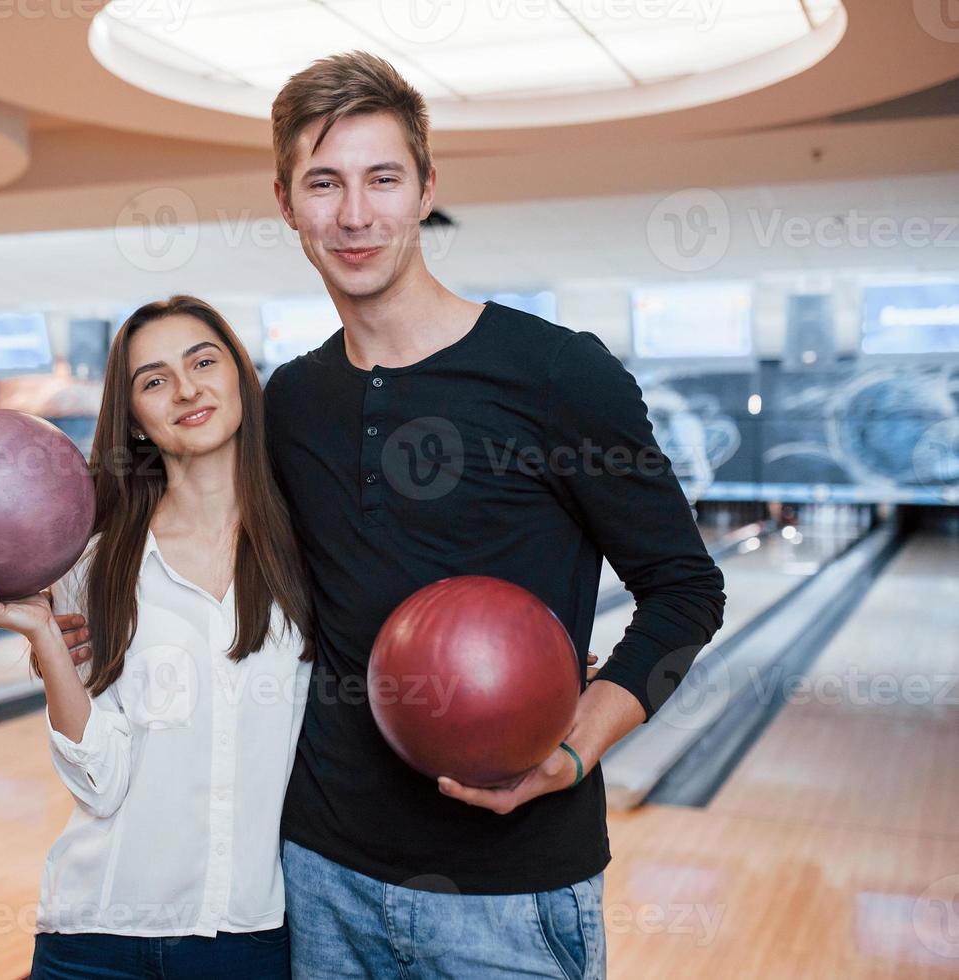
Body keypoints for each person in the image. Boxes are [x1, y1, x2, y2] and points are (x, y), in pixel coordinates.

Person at [261, 52, 728, 978]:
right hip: (319, 872)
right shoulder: (291, 402)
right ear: (286, 203)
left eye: (382, 178)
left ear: (427, 188)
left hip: (513, 899)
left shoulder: (559, 373)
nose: (355, 215)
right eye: (324, 183)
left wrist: (575, 748)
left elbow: (685, 590)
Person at [0, 295, 314, 979]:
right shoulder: (98, 564)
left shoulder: (307, 552)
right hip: (94, 934)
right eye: (154, 380)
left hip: (244, 937)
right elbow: (99, 783)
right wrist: (46, 636)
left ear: (241, 377)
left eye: (203, 361)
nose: (186, 388)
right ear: (134, 418)